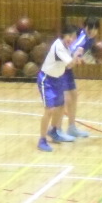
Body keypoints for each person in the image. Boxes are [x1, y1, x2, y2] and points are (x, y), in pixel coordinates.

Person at [36, 24, 81, 152]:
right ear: (63, 35)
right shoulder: (59, 46)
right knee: (49, 110)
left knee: (61, 106)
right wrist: (76, 56)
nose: (71, 39)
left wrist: (75, 58)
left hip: (58, 79)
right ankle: (42, 140)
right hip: (47, 80)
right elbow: (70, 64)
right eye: (69, 36)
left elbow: (69, 66)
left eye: (74, 37)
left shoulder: (67, 47)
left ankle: (54, 131)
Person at [58, 16, 101, 139]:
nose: (92, 31)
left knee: (74, 95)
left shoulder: (91, 39)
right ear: (85, 27)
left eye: (95, 28)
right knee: (65, 100)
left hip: (68, 69)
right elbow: (72, 51)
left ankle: (71, 128)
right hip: (61, 67)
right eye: (90, 28)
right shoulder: (81, 37)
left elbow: (80, 55)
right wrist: (77, 57)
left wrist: (90, 59)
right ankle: (57, 130)